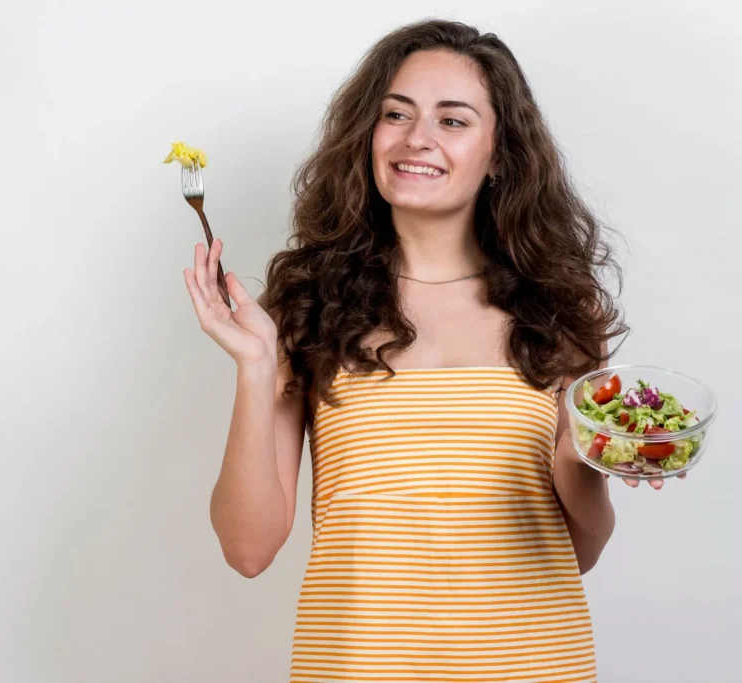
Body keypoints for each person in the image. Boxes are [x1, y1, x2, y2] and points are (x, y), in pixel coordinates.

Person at [183, 19, 667, 682]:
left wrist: (577, 457)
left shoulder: (559, 311)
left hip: (532, 663)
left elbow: (578, 550)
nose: (417, 138)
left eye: (453, 120)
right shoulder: (307, 307)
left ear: (500, 155)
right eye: (396, 113)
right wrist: (256, 366)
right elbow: (248, 549)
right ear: (368, 132)